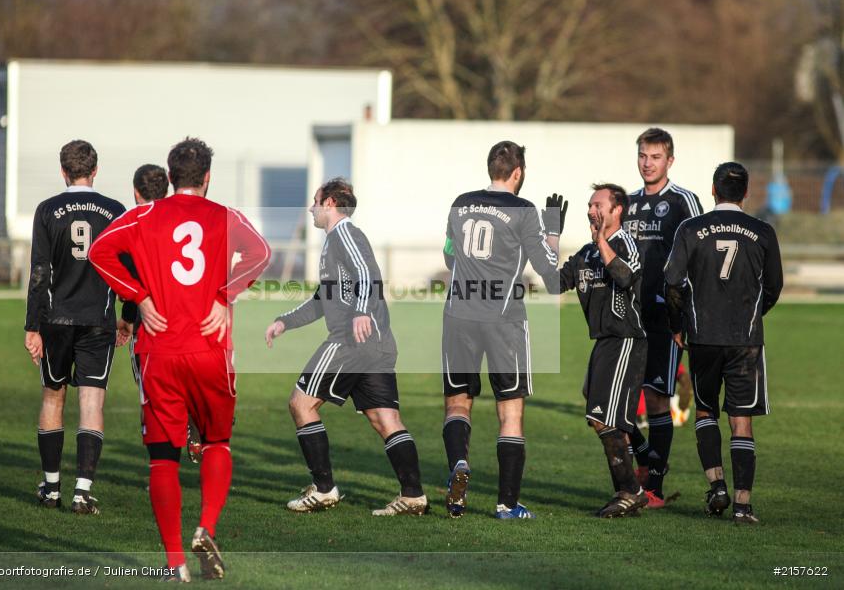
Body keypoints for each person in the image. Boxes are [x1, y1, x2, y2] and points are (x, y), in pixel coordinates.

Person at [89, 138, 271, 581]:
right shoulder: (223, 216)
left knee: (163, 458)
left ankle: (175, 564)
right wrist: (223, 296)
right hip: (211, 349)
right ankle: (206, 525)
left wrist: (139, 296)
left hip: (160, 351)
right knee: (216, 442)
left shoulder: (144, 214)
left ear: (170, 178)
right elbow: (260, 254)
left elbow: (99, 253)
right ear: (208, 177)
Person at [265, 178, 427, 516]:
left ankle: (324, 489)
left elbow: (367, 275)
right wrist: (285, 321)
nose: (311, 208)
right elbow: (321, 300)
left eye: (314, 201)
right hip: (377, 343)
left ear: (329, 204)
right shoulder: (333, 243)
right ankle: (413, 495)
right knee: (385, 418)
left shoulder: (344, 234)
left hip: (351, 341)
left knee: (301, 404)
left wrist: (360, 312)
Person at [440, 140, 564, 519]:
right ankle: (507, 503)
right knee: (510, 411)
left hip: (458, 313)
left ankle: (459, 466)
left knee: (458, 401)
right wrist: (553, 228)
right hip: (503, 319)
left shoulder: (461, 202)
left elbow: (448, 254)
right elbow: (550, 272)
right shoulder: (525, 211)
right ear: (518, 173)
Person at [664, 162, 783, 524]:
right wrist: (751, 315)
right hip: (745, 341)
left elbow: (671, 281)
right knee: (741, 420)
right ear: (746, 194)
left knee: (705, 410)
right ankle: (744, 506)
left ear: (713, 190)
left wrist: (679, 324)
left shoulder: (690, 228)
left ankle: (716, 485)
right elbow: (774, 286)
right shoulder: (763, 231)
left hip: (703, 337)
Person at [24, 139, 126, 516]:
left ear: (63, 171)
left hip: (56, 319)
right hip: (98, 319)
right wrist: (126, 317)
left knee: (53, 396)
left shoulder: (48, 210)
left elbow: (40, 272)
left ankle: (51, 488)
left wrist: (31, 326)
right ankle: (83, 492)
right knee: (92, 400)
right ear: (95, 170)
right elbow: (125, 271)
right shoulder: (116, 211)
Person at [548, 183, 648, 517]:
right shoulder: (587, 253)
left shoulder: (625, 243)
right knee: (603, 418)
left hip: (625, 339)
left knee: (604, 417)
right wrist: (551, 238)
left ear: (617, 209)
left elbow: (624, 277)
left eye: (598, 204)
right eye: (589, 205)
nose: (592, 210)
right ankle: (644, 465)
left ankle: (630, 490)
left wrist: (602, 240)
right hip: (604, 342)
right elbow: (553, 283)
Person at [623, 127, 703, 506]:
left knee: (655, 398)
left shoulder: (684, 201)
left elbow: (700, 256)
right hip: (627, 317)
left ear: (669, 161)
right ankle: (648, 459)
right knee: (607, 397)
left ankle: (652, 486)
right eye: (642, 155)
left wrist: (685, 317)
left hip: (664, 317)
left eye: (655, 157)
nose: (647, 163)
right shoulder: (629, 202)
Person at [115, 165, 204, 463]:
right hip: (188, 324)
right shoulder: (182, 219)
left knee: (153, 398)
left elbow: (133, 282)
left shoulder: (136, 225)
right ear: (167, 186)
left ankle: (163, 467)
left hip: (150, 327)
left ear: (135, 192)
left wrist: (127, 318)